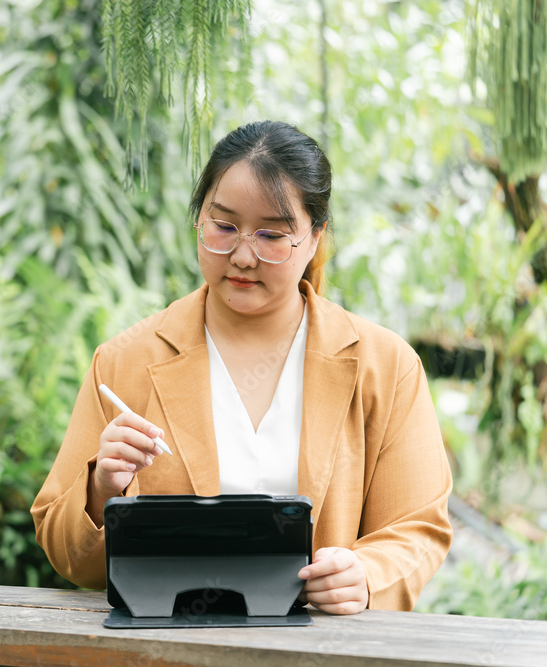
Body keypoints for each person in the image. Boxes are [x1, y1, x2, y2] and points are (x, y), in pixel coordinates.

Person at [30, 120, 453, 614]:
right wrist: (101, 487)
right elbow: (65, 552)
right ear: (198, 220)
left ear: (314, 238)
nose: (243, 255)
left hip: (325, 653)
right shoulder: (125, 362)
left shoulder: (386, 367)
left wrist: (366, 576)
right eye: (224, 226)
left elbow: (418, 528)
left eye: (272, 234)